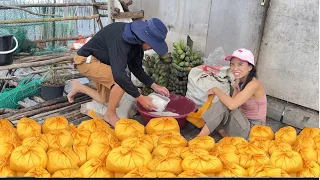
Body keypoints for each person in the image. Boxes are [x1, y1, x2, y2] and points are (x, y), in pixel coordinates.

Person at [68, 18, 170, 127]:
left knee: (106, 99)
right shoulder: (121, 38)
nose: (151, 48)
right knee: (120, 83)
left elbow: (136, 69)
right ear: (146, 39)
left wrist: (154, 85)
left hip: (103, 62)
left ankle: (78, 87)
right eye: (152, 45)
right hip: (86, 60)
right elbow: (119, 76)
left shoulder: (136, 43)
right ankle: (110, 115)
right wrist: (139, 97)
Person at [197, 48, 267, 139]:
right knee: (219, 107)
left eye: (240, 64)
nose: (235, 68)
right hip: (242, 121)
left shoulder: (254, 84)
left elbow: (232, 105)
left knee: (223, 105)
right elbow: (233, 102)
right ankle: (224, 133)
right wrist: (235, 87)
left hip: (254, 130)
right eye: (232, 64)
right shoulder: (239, 80)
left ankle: (198, 139)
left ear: (250, 67)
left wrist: (216, 90)